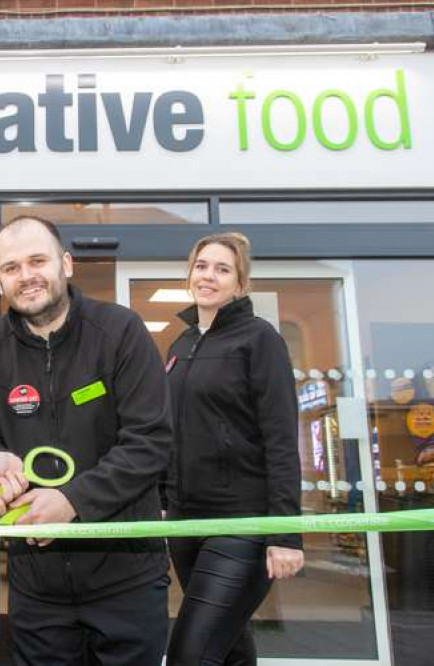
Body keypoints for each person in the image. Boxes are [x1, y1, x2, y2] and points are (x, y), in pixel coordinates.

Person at [0, 216, 173, 665]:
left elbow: (149, 441)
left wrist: (74, 499)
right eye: (11, 267)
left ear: (66, 264)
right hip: (37, 587)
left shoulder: (120, 332)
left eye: (38, 260)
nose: (27, 275)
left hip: (126, 576)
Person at [163, 232, 304, 666]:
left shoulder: (259, 339)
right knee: (229, 648)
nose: (208, 276)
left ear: (241, 285)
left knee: (190, 653)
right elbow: (169, 432)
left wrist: (284, 533)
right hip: (185, 523)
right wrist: (162, 500)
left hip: (241, 521)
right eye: (202, 266)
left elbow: (281, 437)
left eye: (222, 269)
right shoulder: (180, 345)